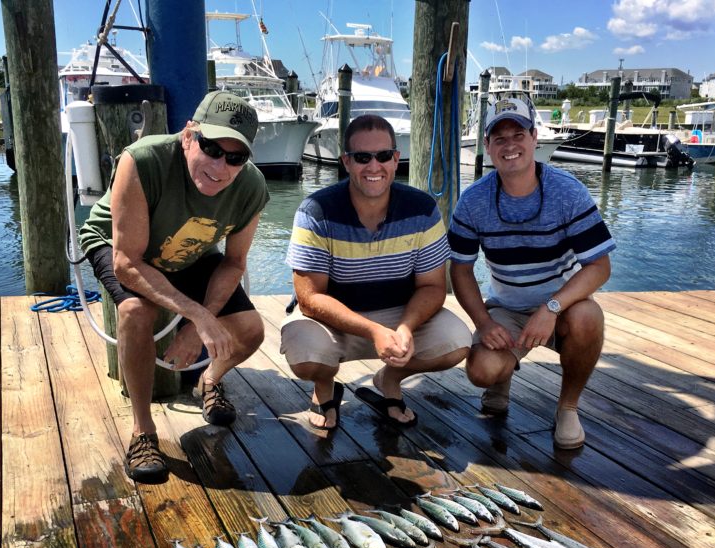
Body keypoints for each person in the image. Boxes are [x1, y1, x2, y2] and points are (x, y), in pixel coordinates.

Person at [78, 91, 269, 482]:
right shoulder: (142, 160)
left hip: (191, 251)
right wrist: (197, 316)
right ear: (188, 136)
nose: (220, 166)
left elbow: (234, 262)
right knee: (135, 311)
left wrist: (194, 326)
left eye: (235, 157)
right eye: (211, 148)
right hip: (124, 247)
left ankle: (209, 381)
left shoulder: (251, 188)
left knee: (251, 331)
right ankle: (143, 430)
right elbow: (127, 264)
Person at [281, 114, 471, 430]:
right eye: (362, 157)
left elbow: (434, 287)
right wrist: (373, 331)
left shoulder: (422, 209)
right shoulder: (315, 211)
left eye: (383, 155)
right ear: (346, 161)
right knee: (305, 354)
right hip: (334, 319)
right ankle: (324, 386)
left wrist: (406, 328)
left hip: (399, 315)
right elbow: (309, 298)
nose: (374, 166)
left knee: (456, 342)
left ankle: (389, 379)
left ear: (396, 160)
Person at [449, 97, 614, 449]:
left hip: (563, 306)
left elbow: (599, 266)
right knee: (480, 371)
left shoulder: (567, 191)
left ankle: (568, 407)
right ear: (487, 147)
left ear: (535, 138)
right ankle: (501, 379)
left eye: (518, 134)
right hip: (507, 307)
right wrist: (483, 323)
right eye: (500, 138)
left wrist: (551, 308)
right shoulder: (473, 200)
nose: (510, 145)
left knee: (588, 317)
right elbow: (460, 269)